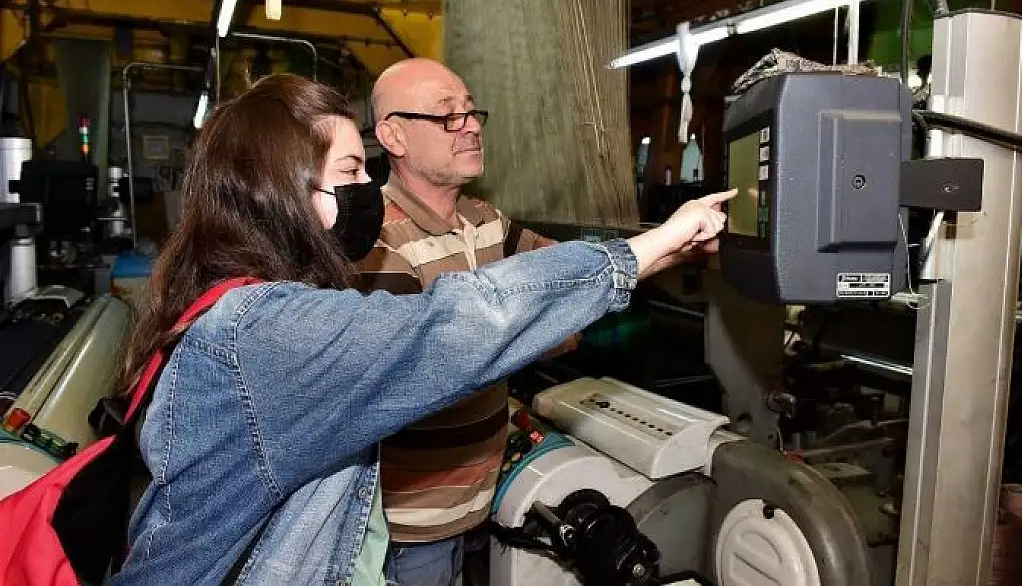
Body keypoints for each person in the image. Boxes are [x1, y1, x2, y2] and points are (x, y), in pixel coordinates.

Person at [107, 73, 734, 586]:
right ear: (285, 195)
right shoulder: (270, 329)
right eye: (352, 171)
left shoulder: (251, 306)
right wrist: (644, 247)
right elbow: (452, 329)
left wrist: (655, 256)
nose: (365, 189)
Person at [355, 58, 578, 585]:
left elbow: (569, 273)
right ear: (394, 136)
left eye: (471, 111)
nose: (472, 125)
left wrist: (667, 245)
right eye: (447, 116)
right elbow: (437, 364)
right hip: (413, 525)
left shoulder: (485, 221)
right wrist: (544, 328)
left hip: (480, 500)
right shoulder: (378, 240)